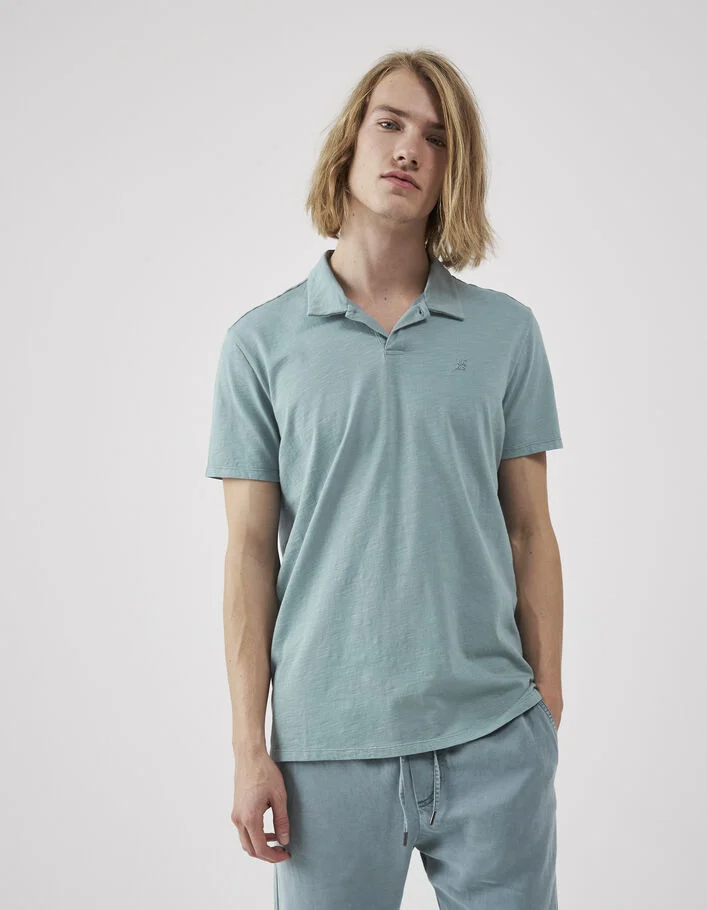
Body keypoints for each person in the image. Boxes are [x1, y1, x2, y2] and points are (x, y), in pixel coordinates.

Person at [206, 48, 565, 910]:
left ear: (453, 172)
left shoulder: (505, 334)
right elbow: (249, 554)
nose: (409, 149)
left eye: (436, 139)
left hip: (491, 736)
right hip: (324, 751)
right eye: (390, 124)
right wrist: (249, 748)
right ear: (349, 143)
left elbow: (529, 530)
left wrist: (543, 706)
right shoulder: (260, 345)